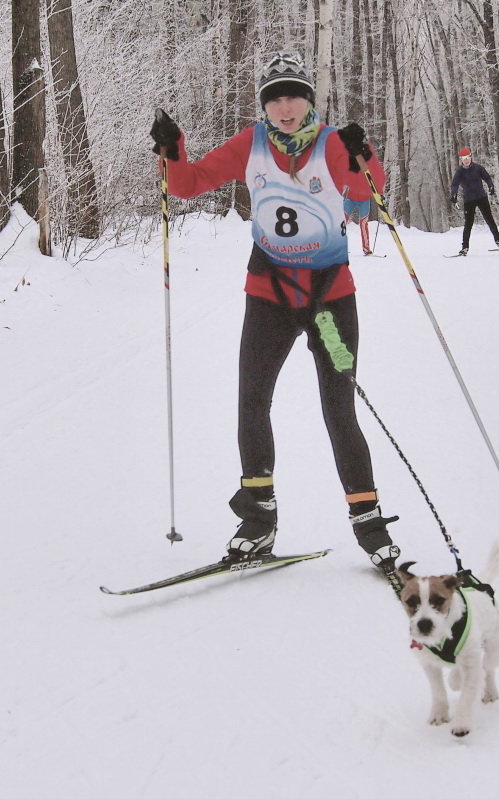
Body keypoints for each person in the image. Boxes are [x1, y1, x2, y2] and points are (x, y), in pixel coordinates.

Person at [148, 52, 401, 575]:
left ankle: (369, 522)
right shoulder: (251, 142)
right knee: (252, 401)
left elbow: (364, 191)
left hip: (329, 302)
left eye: (294, 96)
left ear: (309, 100)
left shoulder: (331, 143)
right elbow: (187, 184)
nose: (284, 107)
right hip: (269, 296)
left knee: (339, 408)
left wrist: (363, 153)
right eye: (275, 98)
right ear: (265, 105)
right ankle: (258, 520)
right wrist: (173, 150)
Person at [449, 148, 499, 256]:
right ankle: (465, 247)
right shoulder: (460, 172)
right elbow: (454, 184)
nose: (466, 160)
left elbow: (487, 177)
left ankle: (498, 241)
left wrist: (490, 186)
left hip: (481, 197)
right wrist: (454, 194)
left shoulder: (478, 168)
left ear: (471, 157)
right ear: (461, 160)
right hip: (469, 200)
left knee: (489, 219)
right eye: (463, 159)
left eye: (467, 158)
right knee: (468, 224)